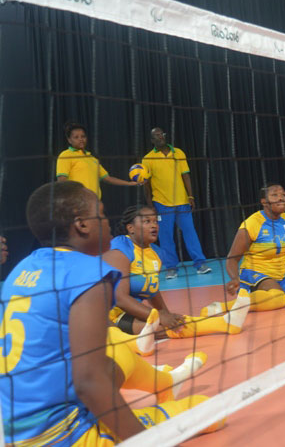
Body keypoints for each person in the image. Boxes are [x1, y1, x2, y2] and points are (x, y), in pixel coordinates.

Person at [0, 181, 222, 445]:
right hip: (61, 437)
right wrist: (143, 440)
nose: (108, 222)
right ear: (82, 224)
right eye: (102, 214)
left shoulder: (22, 269)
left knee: (118, 350)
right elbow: (89, 382)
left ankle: (165, 382)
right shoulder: (88, 273)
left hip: (15, 424)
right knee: (210, 410)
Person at [103, 205, 251, 340]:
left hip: (130, 312)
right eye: (147, 221)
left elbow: (152, 290)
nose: (154, 225)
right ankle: (223, 323)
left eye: (155, 221)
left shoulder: (156, 253)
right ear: (131, 228)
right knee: (161, 328)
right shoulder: (120, 247)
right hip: (107, 316)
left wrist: (167, 314)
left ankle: (225, 322)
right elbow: (119, 297)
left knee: (174, 323)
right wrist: (161, 317)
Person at [202, 184, 285, 316]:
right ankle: (223, 307)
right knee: (278, 299)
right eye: (275, 195)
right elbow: (232, 258)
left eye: (283, 195)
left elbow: (284, 254)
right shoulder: (252, 224)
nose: (281, 198)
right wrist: (234, 279)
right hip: (253, 274)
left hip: (278, 277)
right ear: (264, 201)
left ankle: (255, 297)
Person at [143, 127, 212, 278]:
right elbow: (146, 184)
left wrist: (191, 196)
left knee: (190, 233)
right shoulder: (147, 159)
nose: (160, 137)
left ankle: (200, 264)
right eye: (156, 136)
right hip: (161, 203)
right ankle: (171, 268)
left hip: (182, 202)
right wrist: (150, 205)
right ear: (152, 141)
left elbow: (185, 175)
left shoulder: (178, 153)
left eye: (162, 134)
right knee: (166, 237)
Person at [56, 121, 140, 199]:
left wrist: (129, 183)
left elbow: (108, 178)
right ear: (69, 140)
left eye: (83, 136)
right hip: (77, 201)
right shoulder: (65, 155)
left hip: (94, 202)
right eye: (76, 137)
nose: (81, 139)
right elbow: (62, 180)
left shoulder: (92, 159)